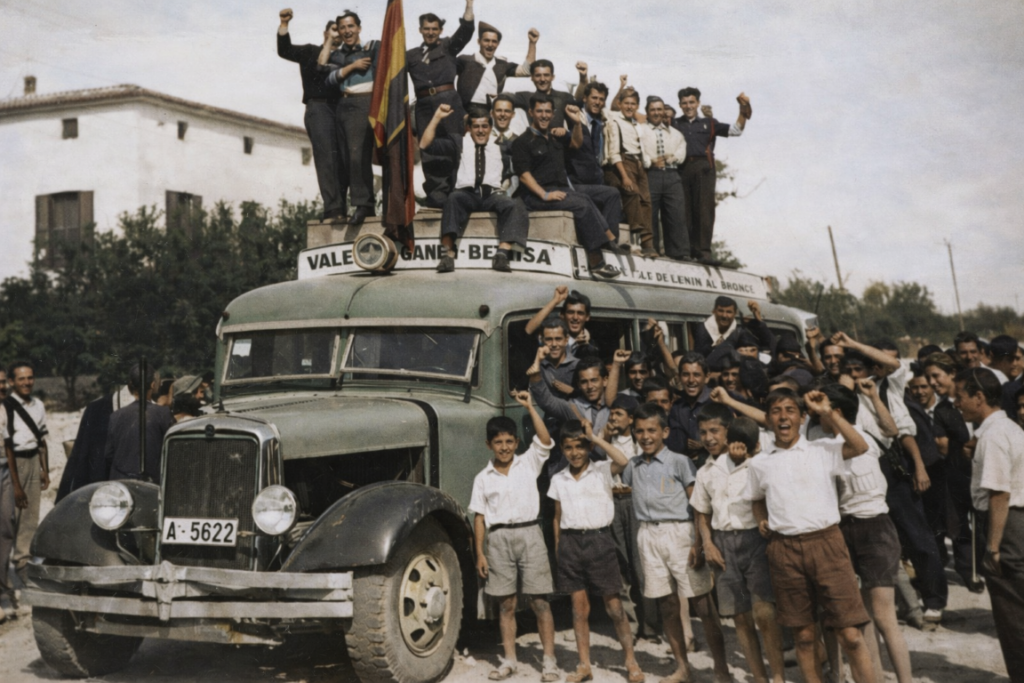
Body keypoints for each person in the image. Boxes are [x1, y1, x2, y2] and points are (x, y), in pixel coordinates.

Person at [745, 388, 877, 683]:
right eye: (776, 411)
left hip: (827, 545)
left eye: (790, 410)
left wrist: (827, 411)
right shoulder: (759, 463)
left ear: (803, 417)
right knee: (804, 636)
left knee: (851, 635)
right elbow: (755, 498)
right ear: (768, 419)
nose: (783, 417)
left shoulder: (823, 450)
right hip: (785, 551)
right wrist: (761, 519)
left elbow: (860, 446)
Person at [812, 385, 913, 683]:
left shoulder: (866, 435)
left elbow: (890, 430)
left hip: (875, 529)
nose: (816, 418)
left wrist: (871, 397)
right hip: (846, 529)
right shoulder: (828, 446)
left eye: (822, 412)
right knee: (863, 615)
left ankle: (906, 680)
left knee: (883, 616)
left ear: (836, 412)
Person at [623, 403, 730, 683]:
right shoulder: (633, 465)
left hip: (680, 534)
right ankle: (683, 668)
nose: (645, 436)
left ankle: (721, 669)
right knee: (667, 605)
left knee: (703, 605)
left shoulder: (680, 461)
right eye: (639, 431)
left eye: (652, 430)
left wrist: (698, 542)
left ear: (665, 431)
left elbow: (698, 506)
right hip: (648, 535)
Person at [470, 389, 558, 682]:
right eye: (499, 443)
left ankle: (549, 661)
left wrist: (530, 407)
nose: (505, 448)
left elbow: (545, 440)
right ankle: (509, 660)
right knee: (506, 605)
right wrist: (480, 553)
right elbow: (479, 518)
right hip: (498, 542)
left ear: (516, 442)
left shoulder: (528, 463)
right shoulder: (483, 478)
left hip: (530, 535)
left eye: (509, 442)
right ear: (489, 445)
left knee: (540, 602)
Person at [692, 410, 785, 683]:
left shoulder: (756, 462)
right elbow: (702, 512)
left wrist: (748, 459)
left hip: (754, 540)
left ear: (728, 432)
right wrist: (707, 544)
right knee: (740, 618)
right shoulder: (706, 471)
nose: (709, 438)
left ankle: (777, 676)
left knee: (765, 612)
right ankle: (759, 677)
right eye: (703, 433)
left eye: (715, 432)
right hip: (723, 543)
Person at [548, 419, 643, 683]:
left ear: (589, 447)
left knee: (614, 606)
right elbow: (557, 516)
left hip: (600, 542)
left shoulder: (602, 470)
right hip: (570, 544)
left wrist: (596, 438)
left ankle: (630, 660)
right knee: (579, 609)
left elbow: (623, 461)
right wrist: (558, 547)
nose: (575, 452)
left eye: (580, 446)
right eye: (569, 447)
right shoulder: (559, 478)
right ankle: (584, 665)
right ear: (563, 450)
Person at [955, 367, 1024, 680]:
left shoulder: (994, 437)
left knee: (1012, 614)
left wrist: (992, 548)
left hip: (1005, 526)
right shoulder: (1006, 429)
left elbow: (999, 494)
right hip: (1014, 522)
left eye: (961, 396)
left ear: (979, 397)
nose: (957, 403)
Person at [511, 95, 622, 279]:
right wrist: (545, 195)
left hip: (562, 188)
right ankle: (596, 262)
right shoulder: (522, 142)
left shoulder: (555, 137)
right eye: (539, 111)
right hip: (536, 196)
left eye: (548, 112)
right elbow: (524, 176)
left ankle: (611, 241)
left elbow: (577, 143)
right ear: (531, 113)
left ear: (553, 113)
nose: (544, 116)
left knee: (598, 195)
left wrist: (577, 123)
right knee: (582, 204)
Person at [421, 104, 529, 273]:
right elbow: (425, 144)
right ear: (469, 128)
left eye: (484, 126)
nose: (480, 131)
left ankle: (502, 254)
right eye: (476, 127)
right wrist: (437, 118)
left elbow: (526, 151)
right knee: (453, 199)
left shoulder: (502, 145)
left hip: (492, 195)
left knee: (515, 204)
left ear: (490, 128)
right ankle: (447, 255)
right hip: (467, 194)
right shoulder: (459, 142)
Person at [922, 352, 985, 592]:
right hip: (956, 474)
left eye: (936, 376)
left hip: (983, 472)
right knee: (957, 526)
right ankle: (969, 573)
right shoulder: (942, 410)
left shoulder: (978, 398)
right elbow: (943, 445)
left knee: (983, 523)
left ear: (952, 373)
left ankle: (985, 564)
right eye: (928, 378)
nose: (932, 383)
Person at [277, 8, 346, 221]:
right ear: (325, 32)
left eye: (341, 30)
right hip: (319, 108)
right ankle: (333, 209)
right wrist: (284, 24)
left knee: (344, 159)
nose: (337, 34)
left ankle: (342, 208)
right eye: (334, 29)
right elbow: (285, 50)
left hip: (342, 109)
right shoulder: (309, 51)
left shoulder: (347, 58)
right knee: (327, 158)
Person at [408, 1, 476, 207]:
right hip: (423, 107)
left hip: (449, 103)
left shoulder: (448, 46)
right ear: (420, 30)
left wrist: (469, 5)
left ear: (441, 30)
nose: (430, 33)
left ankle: (456, 191)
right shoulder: (411, 55)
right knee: (429, 150)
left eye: (434, 29)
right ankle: (436, 195)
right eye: (426, 29)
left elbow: (465, 31)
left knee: (454, 146)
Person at [673, 88, 751, 264]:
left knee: (704, 210)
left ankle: (703, 253)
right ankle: (685, 251)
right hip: (681, 168)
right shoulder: (674, 123)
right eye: (684, 103)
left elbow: (736, 130)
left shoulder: (710, 123)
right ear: (680, 105)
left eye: (692, 102)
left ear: (698, 103)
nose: (688, 106)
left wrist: (743, 109)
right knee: (682, 210)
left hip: (704, 168)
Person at [604, 395, 660, 641]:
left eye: (618, 413)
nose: (613, 418)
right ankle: (630, 625)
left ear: (630, 417)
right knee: (620, 565)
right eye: (612, 413)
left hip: (635, 502)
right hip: (612, 501)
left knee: (642, 564)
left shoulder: (640, 441)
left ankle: (650, 624)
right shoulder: (606, 440)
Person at [320, 10, 380, 227]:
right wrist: (351, 66)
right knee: (347, 159)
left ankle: (363, 204)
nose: (347, 31)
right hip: (344, 105)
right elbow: (322, 68)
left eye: (350, 26)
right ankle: (366, 205)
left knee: (357, 156)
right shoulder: (337, 55)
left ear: (359, 28)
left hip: (365, 102)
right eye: (342, 27)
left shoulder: (372, 47)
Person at [3, 361, 49, 588]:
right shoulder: (6, 406)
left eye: (29, 378)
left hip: (32, 461)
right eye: (21, 379)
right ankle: (7, 575)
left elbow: (42, 440)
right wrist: (16, 482)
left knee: (30, 516)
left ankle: (23, 564)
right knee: (12, 517)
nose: (26, 382)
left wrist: (44, 470)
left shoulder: (38, 405)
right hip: (13, 463)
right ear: (11, 382)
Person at [563, 79, 627, 241]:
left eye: (601, 99)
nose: (597, 102)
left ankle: (610, 243)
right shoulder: (573, 117)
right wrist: (583, 77)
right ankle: (610, 242)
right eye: (594, 98)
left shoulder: (604, 123)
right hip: (575, 181)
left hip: (596, 178)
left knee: (613, 196)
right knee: (610, 194)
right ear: (585, 98)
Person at [602, 89, 655, 256]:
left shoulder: (636, 125)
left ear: (637, 106)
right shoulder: (614, 120)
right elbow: (613, 152)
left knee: (645, 201)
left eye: (633, 104)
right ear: (619, 104)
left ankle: (648, 244)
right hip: (623, 162)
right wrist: (624, 176)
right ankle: (636, 245)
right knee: (632, 199)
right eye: (626, 103)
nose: (629, 107)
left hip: (638, 163)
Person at [106, 364, 175, 484]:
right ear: (153, 385)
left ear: (130, 385)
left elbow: (108, 454)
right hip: (151, 485)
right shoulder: (163, 413)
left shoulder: (115, 416)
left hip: (121, 485)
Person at [641, 97, 688, 259]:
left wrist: (673, 157)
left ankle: (679, 252)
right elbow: (639, 152)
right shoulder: (640, 130)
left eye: (659, 109)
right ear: (647, 112)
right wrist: (650, 161)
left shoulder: (675, 134)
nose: (656, 113)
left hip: (672, 175)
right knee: (650, 212)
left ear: (664, 112)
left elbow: (681, 152)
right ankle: (651, 249)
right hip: (650, 174)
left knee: (676, 213)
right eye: (653, 109)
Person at [456, 23, 537, 109]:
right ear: (479, 41)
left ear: (498, 44)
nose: (490, 45)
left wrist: (532, 43)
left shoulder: (502, 65)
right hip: (465, 112)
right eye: (486, 40)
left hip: (491, 112)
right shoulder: (465, 60)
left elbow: (527, 71)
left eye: (494, 41)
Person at [666, 351, 713, 464]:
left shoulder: (717, 401)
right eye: (686, 374)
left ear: (706, 377)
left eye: (696, 375)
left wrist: (705, 444)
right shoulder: (677, 407)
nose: (691, 380)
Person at [525, 287, 596, 357]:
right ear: (562, 315)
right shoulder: (553, 341)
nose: (575, 317)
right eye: (570, 312)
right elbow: (528, 331)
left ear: (587, 317)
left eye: (580, 313)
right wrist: (555, 301)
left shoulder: (591, 346)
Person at [511, 60, 583, 129]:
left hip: (559, 140)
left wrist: (583, 79)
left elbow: (581, 103)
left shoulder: (564, 97)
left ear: (552, 77)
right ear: (532, 78)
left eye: (546, 75)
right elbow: (502, 98)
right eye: (538, 75)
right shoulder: (526, 97)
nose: (542, 79)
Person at [694, 297, 773, 359]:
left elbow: (770, 345)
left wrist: (759, 320)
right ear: (714, 311)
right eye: (721, 311)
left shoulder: (739, 333)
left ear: (735, 313)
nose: (724, 316)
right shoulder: (702, 330)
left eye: (729, 312)